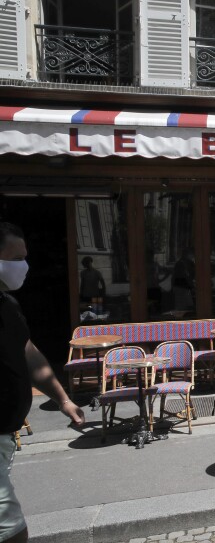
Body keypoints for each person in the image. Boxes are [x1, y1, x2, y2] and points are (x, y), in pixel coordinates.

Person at [0, 222, 85, 543]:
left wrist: (63, 399)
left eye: (25, 257)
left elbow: (28, 352)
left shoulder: (7, 304)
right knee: (10, 529)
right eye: (15, 258)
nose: (23, 266)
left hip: (6, 436)